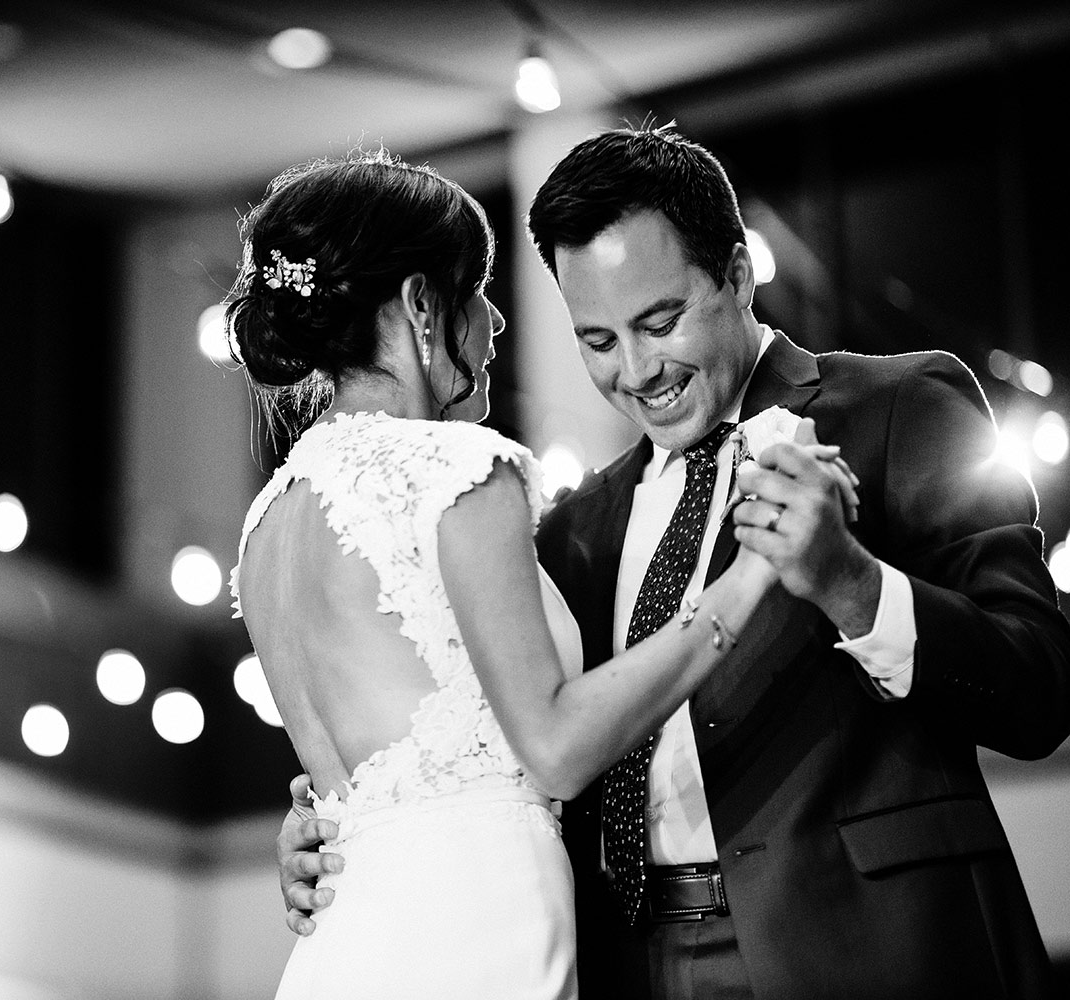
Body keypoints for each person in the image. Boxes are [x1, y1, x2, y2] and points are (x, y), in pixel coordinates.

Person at [278, 125, 1070, 999]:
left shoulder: (896, 408)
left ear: (738, 275)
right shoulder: (569, 531)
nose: (638, 370)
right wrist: (340, 823)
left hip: (869, 951)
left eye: (660, 323)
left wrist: (853, 584)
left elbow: (1040, 689)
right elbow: (518, 739)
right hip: (633, 968)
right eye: (598, 341)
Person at [227, 149, 836, 999]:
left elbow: (371, 778)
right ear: (421, 305)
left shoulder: (267, 523)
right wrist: (746, 581)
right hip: (475, 932)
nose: (495, 321)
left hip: (348, 942)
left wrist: (311, 825)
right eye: (477, 292)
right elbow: (554, 749)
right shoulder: (459, 470)